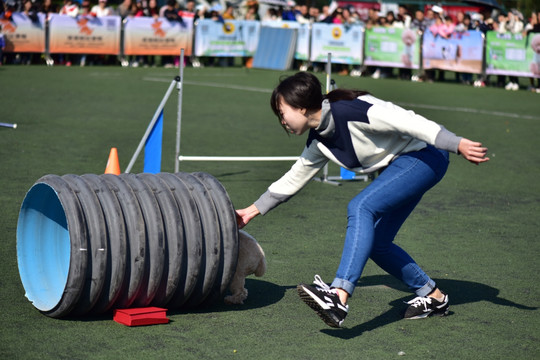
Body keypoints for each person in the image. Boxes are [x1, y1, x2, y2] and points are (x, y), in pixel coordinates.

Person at [235, 72, 489, 328]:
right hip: (402, 166)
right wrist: (250, 212)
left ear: (300, 107)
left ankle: (339, 296)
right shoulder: (319, 138)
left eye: (282, 112)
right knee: (378, 244)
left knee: (361, 206)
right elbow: (294, 178)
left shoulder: (350, 110)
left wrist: (455, 143)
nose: (282, 121)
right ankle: (434, 297)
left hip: (426, 155)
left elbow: (409, 122)